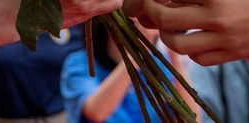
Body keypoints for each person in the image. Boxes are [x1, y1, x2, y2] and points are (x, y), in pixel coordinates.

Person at [59, 18, 192, 123]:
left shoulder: (158, 64)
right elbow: (96, 113)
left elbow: (193, 117)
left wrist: (175, 55)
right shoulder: (80, 62)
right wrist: (137, 53)